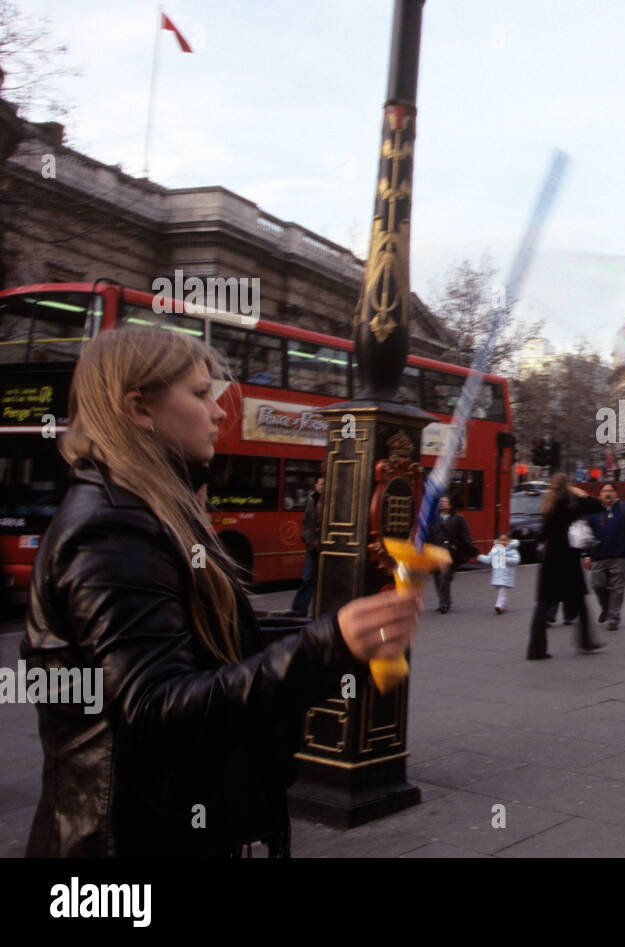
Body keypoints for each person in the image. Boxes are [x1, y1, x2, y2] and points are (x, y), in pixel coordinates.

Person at [21, 326, 419, 857]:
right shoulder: (111, 530)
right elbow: (156, 707)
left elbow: (200, 646)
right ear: (140, 409)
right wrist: (327, 644)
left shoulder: (138, 512)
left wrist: (340, 632)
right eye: (200, 393)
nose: (221, 412)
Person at [527, 474, 603, 659]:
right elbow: (597, 506)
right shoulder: (572, 502)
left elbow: (542, 533)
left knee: (543, 605)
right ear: (568, 485)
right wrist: (582, 493)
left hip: (551, 561)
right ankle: (586, 641)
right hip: (569, 561)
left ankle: (536, 649)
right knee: (580, 603)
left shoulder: (548, 503)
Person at [583, 482, 625, 630]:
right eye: (604, 491)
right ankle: (606, 608)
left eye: (610, 491)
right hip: (599, 555)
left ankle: (613, 618)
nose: (607, 493)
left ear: (616, 494)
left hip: (620, 555)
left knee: (618, 589)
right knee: (597, 585)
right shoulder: (593, 511)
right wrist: (586, 554)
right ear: (600, 495)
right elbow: (586, 534)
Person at [428, 495, 474, 614]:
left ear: (450, 505)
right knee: (437, 578)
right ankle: (444, 601)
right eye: (440, 502)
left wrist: (472, 549)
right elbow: (427, 534)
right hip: (435, 552)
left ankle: (444, 603)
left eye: (445, 502)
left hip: (450, 553)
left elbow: (465, 535)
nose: (442, 503)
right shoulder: (433, 518)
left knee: (445, 577)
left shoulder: (458, 518)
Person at [289, 475, 325, 617]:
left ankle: (318, 611)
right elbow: (306, 524)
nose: (323, 487)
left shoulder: (332, 500)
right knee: (307, 578)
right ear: (316, 486)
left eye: (325, 484)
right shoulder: (312, 499)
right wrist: (311, 541)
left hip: (325, 547)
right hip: (313, 547)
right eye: (321, 484)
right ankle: (298, 611)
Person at [477, 534, 521, 614]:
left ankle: (499, 605)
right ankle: (504, 604)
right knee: (501, 590)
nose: (503, 542)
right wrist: (478, 556)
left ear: (509, 541)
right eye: (501, 540)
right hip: (497, 574)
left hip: (506, 575)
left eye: (505, 540)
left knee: (502, 590)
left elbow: (516, 560)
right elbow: (489, 559)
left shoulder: (512, 550)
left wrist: (505, 559)